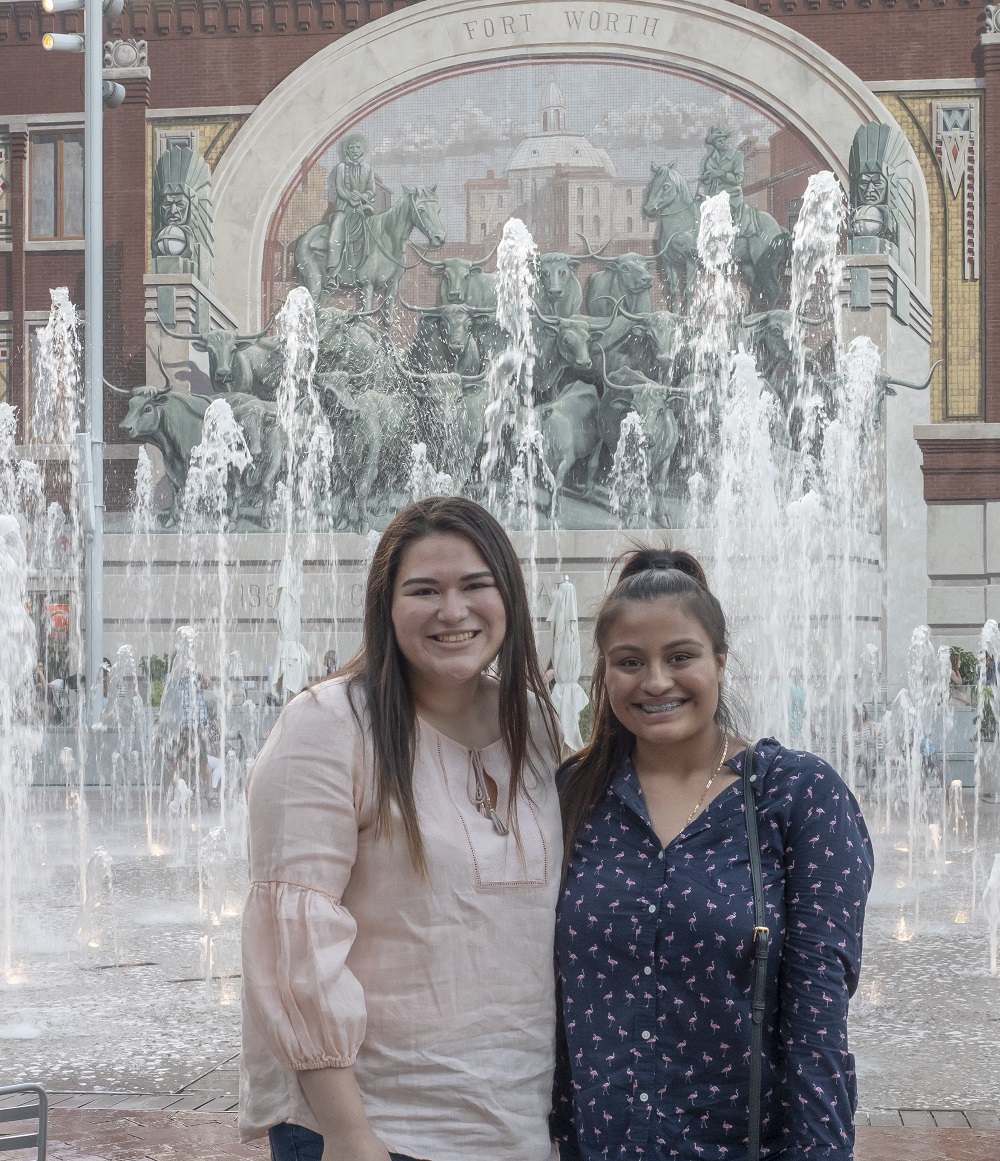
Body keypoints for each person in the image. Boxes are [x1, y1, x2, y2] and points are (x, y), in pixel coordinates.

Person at [240, 497, 562, 1161]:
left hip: (516, 1123)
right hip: (377, 1126)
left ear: (509, 596)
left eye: (475, 585)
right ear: (385, 605)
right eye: (424, 590)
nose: (453, 610)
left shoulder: (532, 724)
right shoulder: (329, 725)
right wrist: (349, 1134)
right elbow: (293, 945)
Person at [552, 547, 873, 1160]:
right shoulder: (575, 792)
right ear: (604, 671)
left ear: (720, 660)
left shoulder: (796, 794)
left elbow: (818, 1022)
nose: (655, 682)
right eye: (629, 661)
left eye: (681, 656)